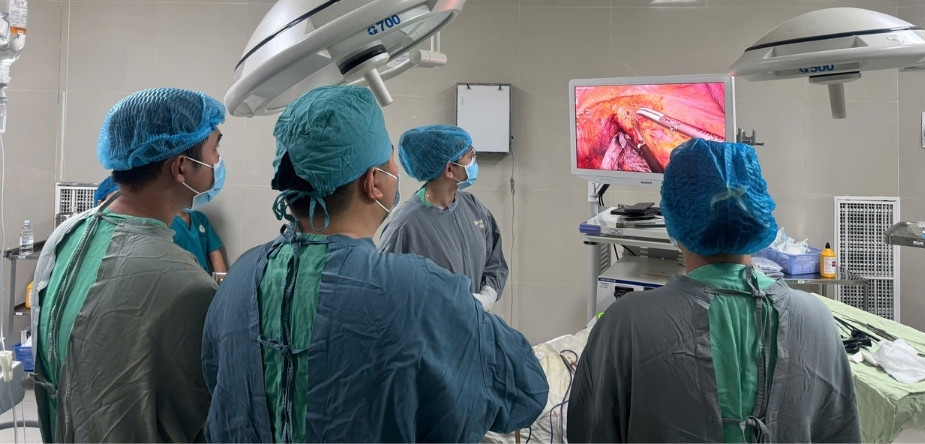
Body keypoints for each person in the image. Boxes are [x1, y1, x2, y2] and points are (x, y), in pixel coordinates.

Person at [202, 86, 548, 442]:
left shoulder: (240, 277)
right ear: (373, 183)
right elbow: (525, 390)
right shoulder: (418, 291)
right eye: (391, 161)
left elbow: (216, 384)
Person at [567, 139, 861, 443]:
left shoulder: (626, 323)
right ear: (757, 214)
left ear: (674, 217)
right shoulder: (816, 319)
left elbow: (590, 431)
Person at [31, 87, 225, 442]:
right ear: (181, 167)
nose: (218, 161)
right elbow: (202, 416)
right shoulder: (184, 283)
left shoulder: (66, 235)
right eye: (215, 149)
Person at [378, 124, 507, 311]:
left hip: (472, 325)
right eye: (470, 156)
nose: (474, 161)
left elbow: (495, 263)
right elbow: (386, 292)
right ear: (449, 169)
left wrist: (486, 298)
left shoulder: (473, 208)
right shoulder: (405, 227)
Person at [172, 209, 227, 274]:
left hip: (205, 276)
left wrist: (222, 279)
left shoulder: (199, 218)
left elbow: (214, 254)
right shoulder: (166, 226)